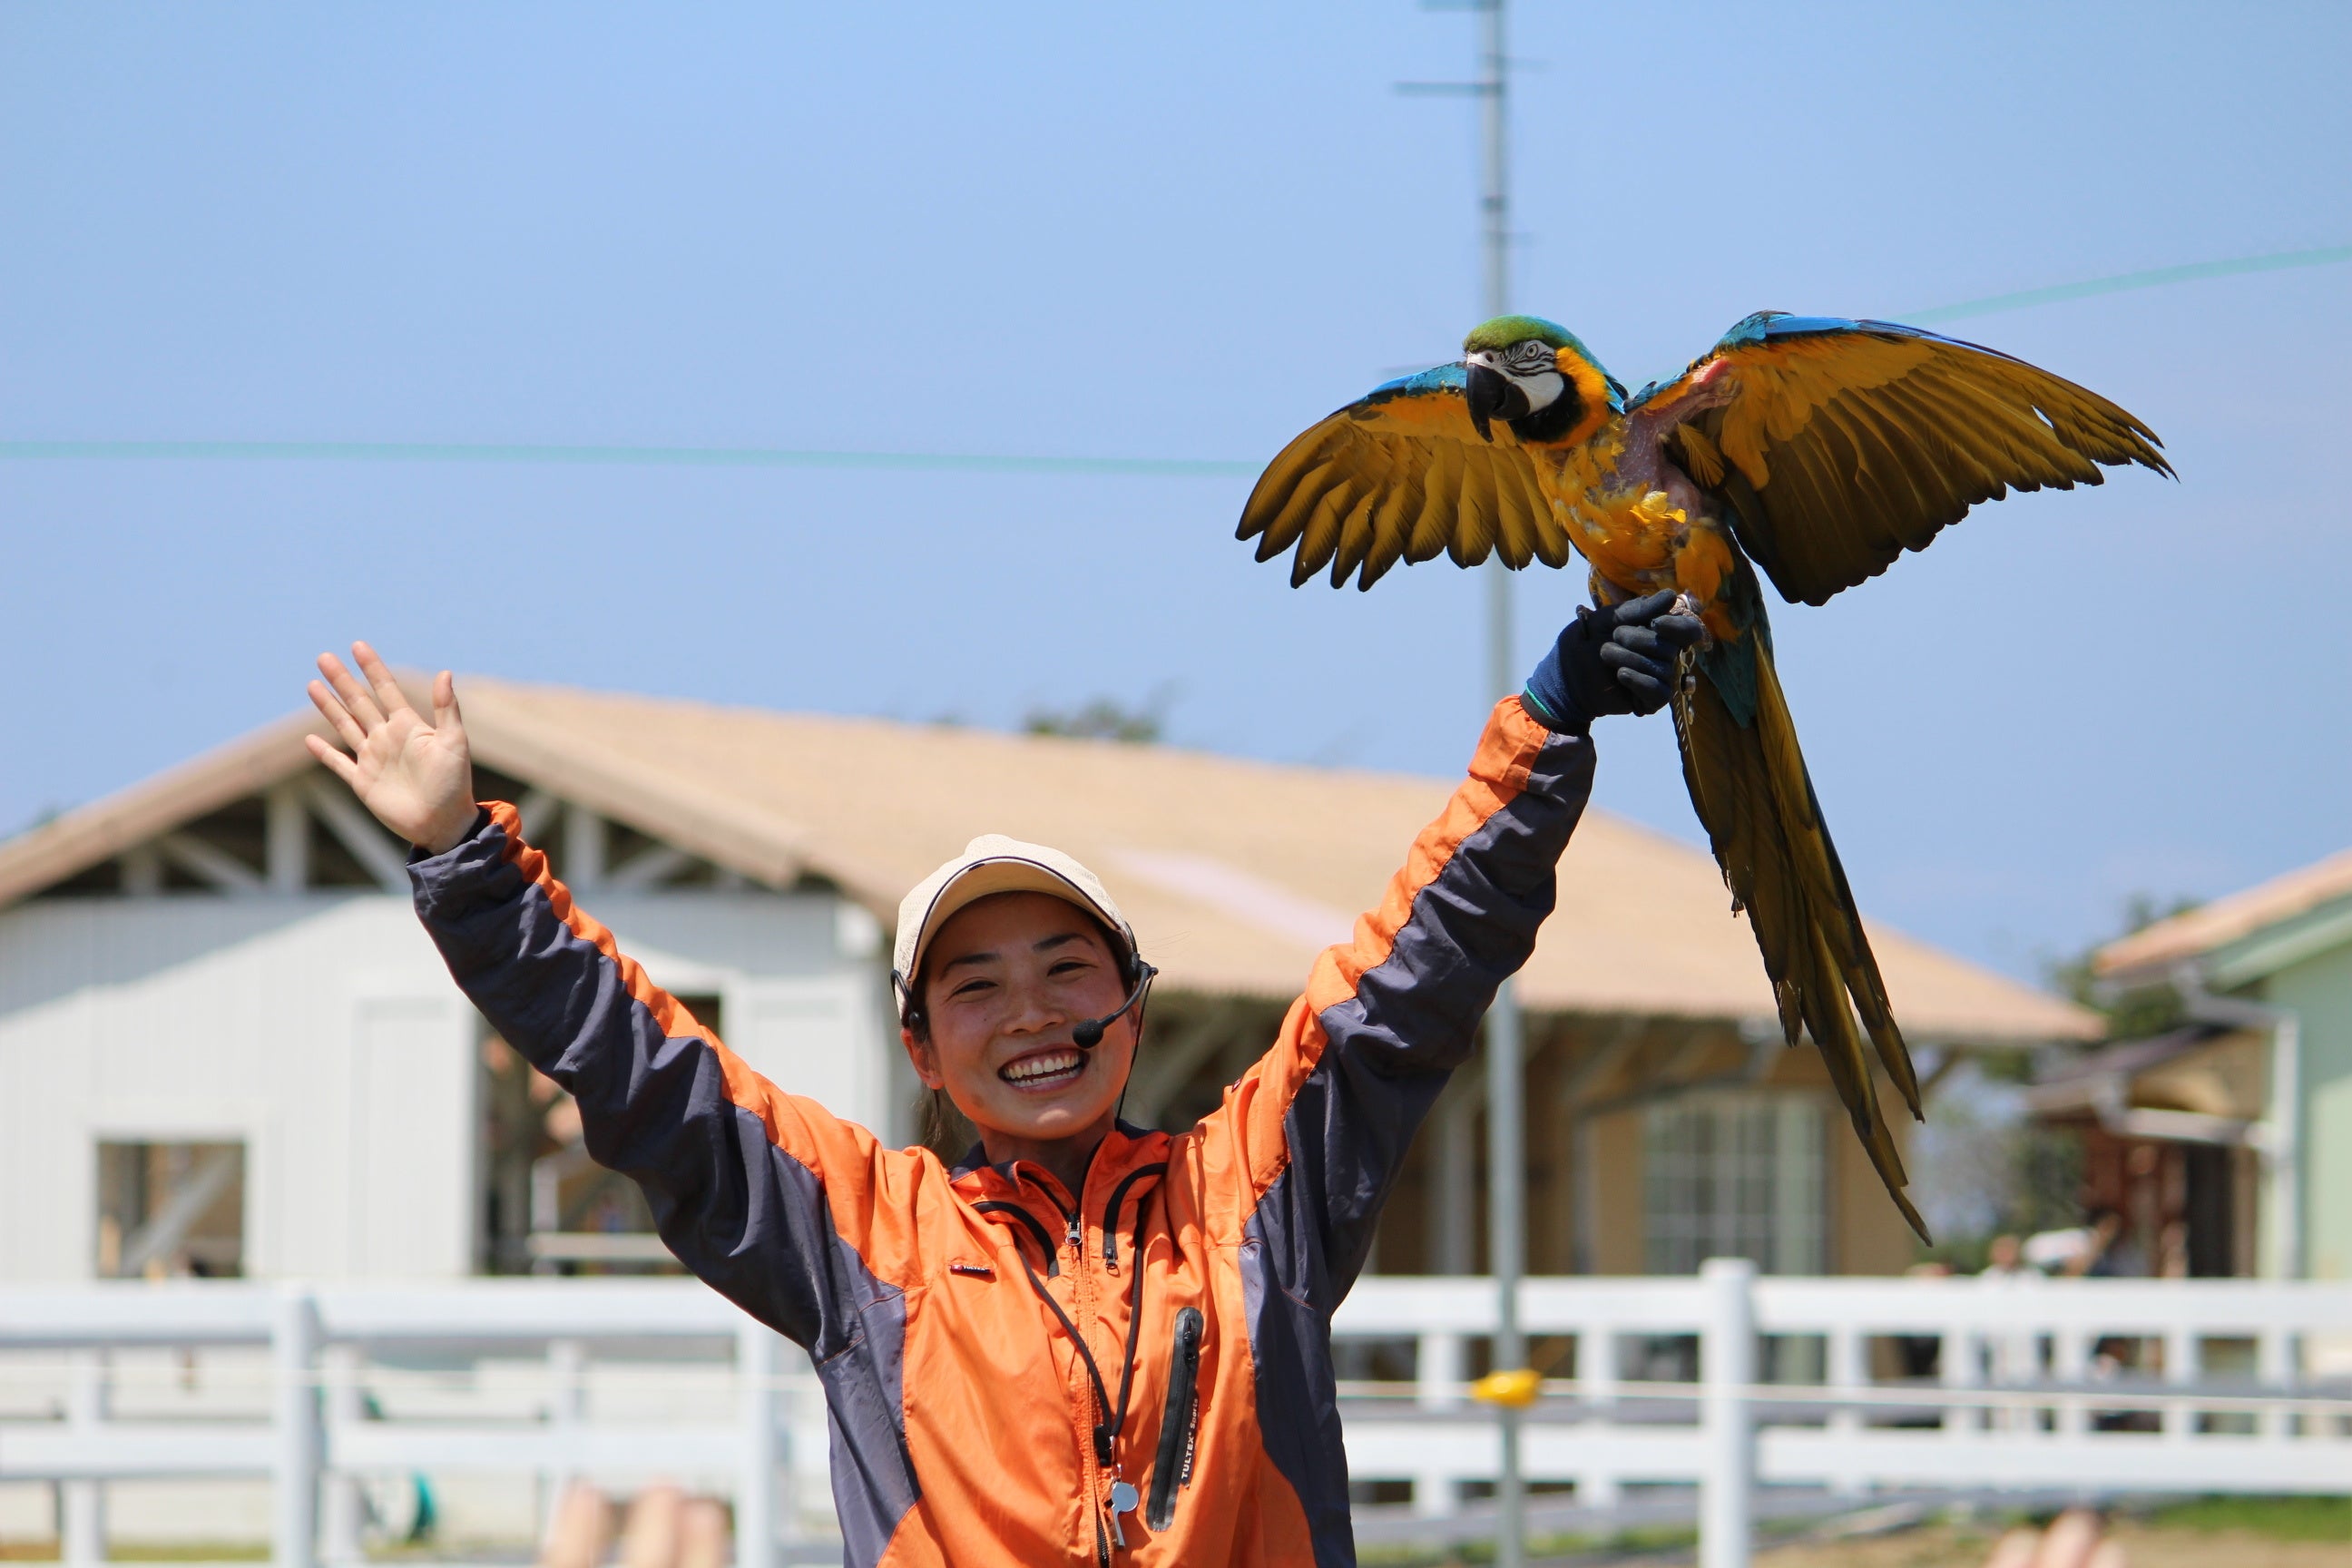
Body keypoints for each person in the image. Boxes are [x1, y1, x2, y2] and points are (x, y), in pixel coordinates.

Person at [303, 593, 1701, 1568]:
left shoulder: (1257, 1192)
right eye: (973, 984)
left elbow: (1412, 982)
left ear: (1133, 1006)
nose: (1029, 1012)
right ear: (923, 1047)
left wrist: (1552, 712)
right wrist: (465, 861)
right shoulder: (865, 1238)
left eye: (1066, 969)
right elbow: (645, 1073)